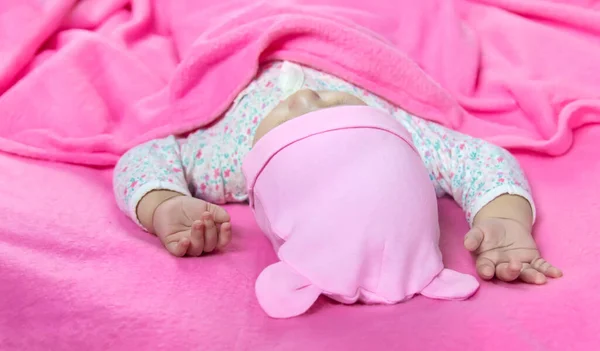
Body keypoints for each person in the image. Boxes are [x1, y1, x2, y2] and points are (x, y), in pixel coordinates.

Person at [113, 61, 562, 284]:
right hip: (347, 53)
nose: (306, 97)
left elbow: (145, 158)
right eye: (335, 111)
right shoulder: (405, 137)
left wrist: (163, 204)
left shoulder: (228, 161)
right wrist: (502, 218)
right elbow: (479, 159)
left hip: (248, 54)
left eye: (292, 125)